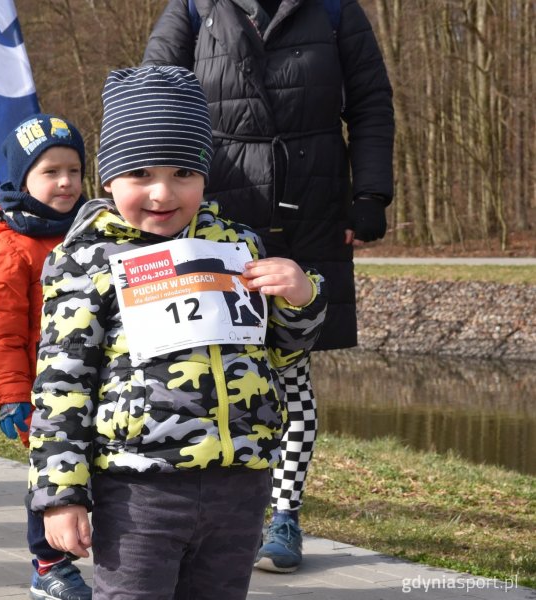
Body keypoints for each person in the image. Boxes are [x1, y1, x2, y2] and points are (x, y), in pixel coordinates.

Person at [27, 66, 327, 600]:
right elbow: (61, 385)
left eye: (184, 173)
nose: (163, 193)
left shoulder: (238, 246)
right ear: (108, 179)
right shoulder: (85, 260)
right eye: (140, 174)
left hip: (241, 483)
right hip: (139, 487)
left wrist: (301, 298)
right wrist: (60, 497)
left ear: (206, 177)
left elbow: (283, 351)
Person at [142, 0, 395, 572]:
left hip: (311, 205)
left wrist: (371, 193)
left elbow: (372, 104)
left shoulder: (334, 10)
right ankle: (202, 511)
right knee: (204, 366)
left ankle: (283, 515)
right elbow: (155, 97)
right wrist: (151, 194)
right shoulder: (192, 7)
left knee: (292, 367)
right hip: (210, 208)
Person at [0, 113, 92, 600]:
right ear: (22, 180)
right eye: (50, 172)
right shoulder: (10, 248)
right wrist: (13, 395)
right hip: (43, 389)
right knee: (52, 470)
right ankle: (48, 565)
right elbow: (0, 332)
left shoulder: (94, 230)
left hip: (96, 380)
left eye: (75, 171)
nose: (66, 182)